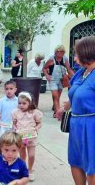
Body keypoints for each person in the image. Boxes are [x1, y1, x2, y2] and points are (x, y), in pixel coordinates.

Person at [56, 36, 95, 184]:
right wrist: (63, 107)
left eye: (77, 53)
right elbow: (73, 95)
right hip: (76, 124)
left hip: (91, 125)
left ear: (87, 53)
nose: (74, 56)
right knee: (75, 161)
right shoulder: (81, 72)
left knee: (92, 165)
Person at [12, 92, 43, 181]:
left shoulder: (34, 113)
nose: (21, 105)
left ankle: (30, 169)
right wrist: (15, 129)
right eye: (19, 103)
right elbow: (14, 124)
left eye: (24, 103)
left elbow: (39, 123)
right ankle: (23, 170)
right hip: (21, 137)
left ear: (30, 103)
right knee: (22, 155)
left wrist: (36, 128)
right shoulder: (16, 113)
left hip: (31, 137)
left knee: (31, 155)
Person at [43, 45, 74, 117]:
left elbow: (68, 69)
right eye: (60, 51)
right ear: (56, 52)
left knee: (58, 96)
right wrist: (47, 75)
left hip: (61, 80)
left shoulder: (65, 58)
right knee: (56, 96)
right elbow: (44, 68)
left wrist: (74, 76)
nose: (62, 53)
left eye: (63, 52)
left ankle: (55, 108)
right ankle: (57, 113)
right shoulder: (51, 59)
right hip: (53, 79)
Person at [0, 81, 18, 145]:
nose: (9, 91)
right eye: (7, 89)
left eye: (11, 89)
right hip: (3, 125)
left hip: (14, 125)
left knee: (13, 141)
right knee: (2, 140)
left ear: (15, 90)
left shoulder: (18, 101)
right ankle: (0, 153)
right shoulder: (1, 101)